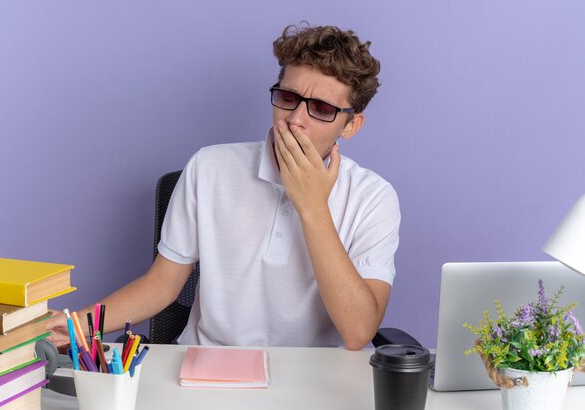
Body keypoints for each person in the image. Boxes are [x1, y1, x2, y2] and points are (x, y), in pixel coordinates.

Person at [47, 23, 400, 351]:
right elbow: (161, 285)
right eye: (288, 98)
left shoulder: (373, 198)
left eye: (321, 108)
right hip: (207, 365)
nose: (295, 119)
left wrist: (312, 206)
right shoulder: (209, 166)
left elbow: (358, 333)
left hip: (310, 377)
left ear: (351, 126)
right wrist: (78, 324)